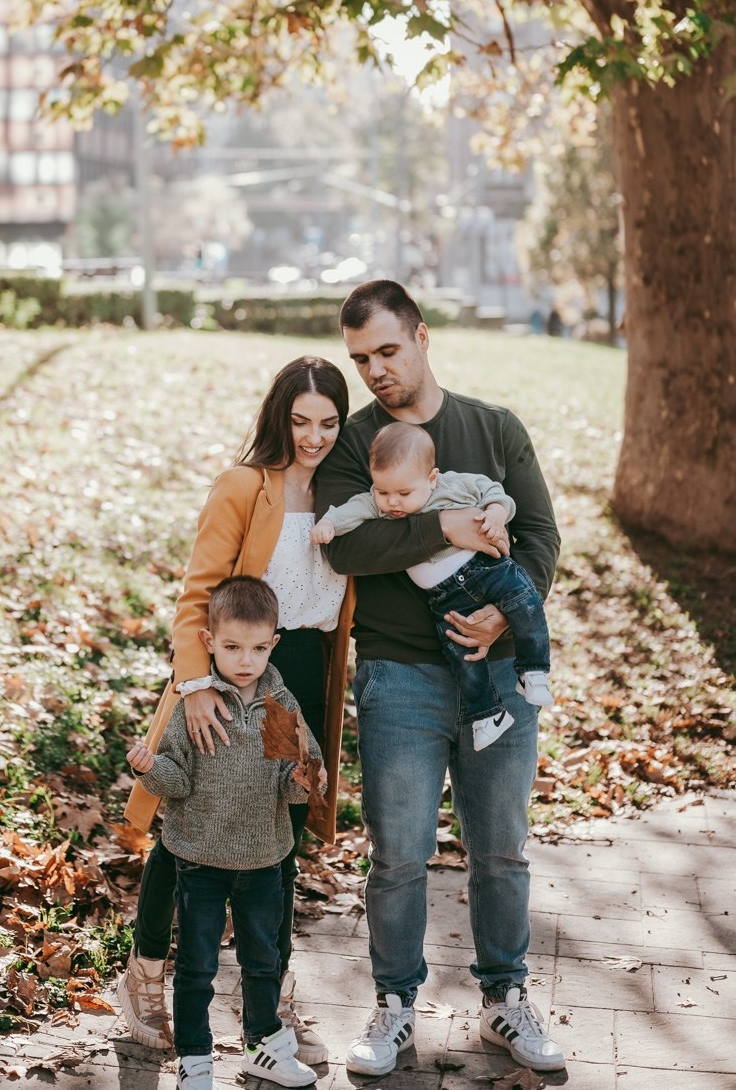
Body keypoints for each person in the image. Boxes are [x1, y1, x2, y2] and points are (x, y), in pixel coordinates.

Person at [314, 279, 565, 1079]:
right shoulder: (356, 441)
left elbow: (542, 535)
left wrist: (501, 614)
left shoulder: (492, 428)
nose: (376, 371)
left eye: (387, 350)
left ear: (421, 337)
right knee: (397, 855)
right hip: (398, 678)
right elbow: (347, 548)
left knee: (501, 850)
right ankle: (393, 1007)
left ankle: (505, 1000)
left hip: (497, 672)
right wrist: (444, 528)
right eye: (361, 360)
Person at [118, 356, 355, 1065]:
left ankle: (269, 993)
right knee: (190, 824)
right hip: (231, 674)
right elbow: (197, 595)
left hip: (301, 675)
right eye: (301, 420)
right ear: (279, 416)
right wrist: (196, 688)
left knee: (279, 824)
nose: (314, 437)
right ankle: (146, 972)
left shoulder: (347, 493)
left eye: (330, 423)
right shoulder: (245, 486)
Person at [128, 576, 324, 1089]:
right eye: (233, 647)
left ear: (273, 644)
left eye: (258, 649)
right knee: (197, 967)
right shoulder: (198, 704)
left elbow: (297, 779)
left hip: (263, 860)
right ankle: (195, 1057)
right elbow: (179, 781)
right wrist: (150, 768)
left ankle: (264, 1045)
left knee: (264, 962)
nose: (245, 660)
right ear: (209, 642)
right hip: (201, 860)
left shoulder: (279, 707)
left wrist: (304, 779)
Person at [311, 420, 553, 750]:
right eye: (383, 493)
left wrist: (496, 514)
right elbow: (349, 512)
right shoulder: (379, 502)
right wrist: (327, 525)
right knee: (461, 654)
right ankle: (487, 715)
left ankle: (534, 669)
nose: (392, 503)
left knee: (523, 600)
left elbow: (495, 492)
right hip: (446, 598)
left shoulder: (454, 487)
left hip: (485, 570)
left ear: (431, 479)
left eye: (403, 494)